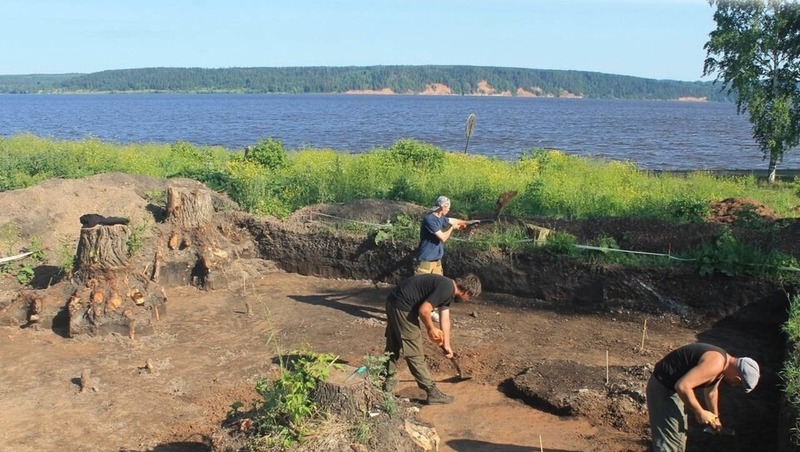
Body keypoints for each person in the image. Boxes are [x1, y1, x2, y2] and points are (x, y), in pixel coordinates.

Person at [382, 273, 481, 405]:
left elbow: (445, 318)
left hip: (393, 301)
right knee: (414, 351)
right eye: (470, 298)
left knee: (393, 345)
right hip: (402, 306)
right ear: (467, 292)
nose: (467, 300)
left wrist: (447, 344)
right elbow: (424, 310)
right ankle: (432, 392)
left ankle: (387, 381)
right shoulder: (446, 289)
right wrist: (430, 328)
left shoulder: (447, 287)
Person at [647, 342, 760, 452]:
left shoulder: (723, 364)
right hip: (663, 389)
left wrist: (715, 418)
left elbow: (711, 392)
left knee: (678, 436)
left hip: (671, 388)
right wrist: (700, 412)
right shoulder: (716, 363)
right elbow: (682, 386)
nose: (734, 385)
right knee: (670, 440)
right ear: (738, 378)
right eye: (738, 384)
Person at [414, 196, 469, 277]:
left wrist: (469, 222)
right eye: (448, 208)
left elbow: (453, 221)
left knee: (438, 288)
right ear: (443, 206)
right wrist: (452, 228)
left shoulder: (441, 218)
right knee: (421, 287)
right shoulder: (429, 219)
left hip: (437, 263)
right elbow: (443, 237)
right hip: (425, 262)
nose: (449, 210)